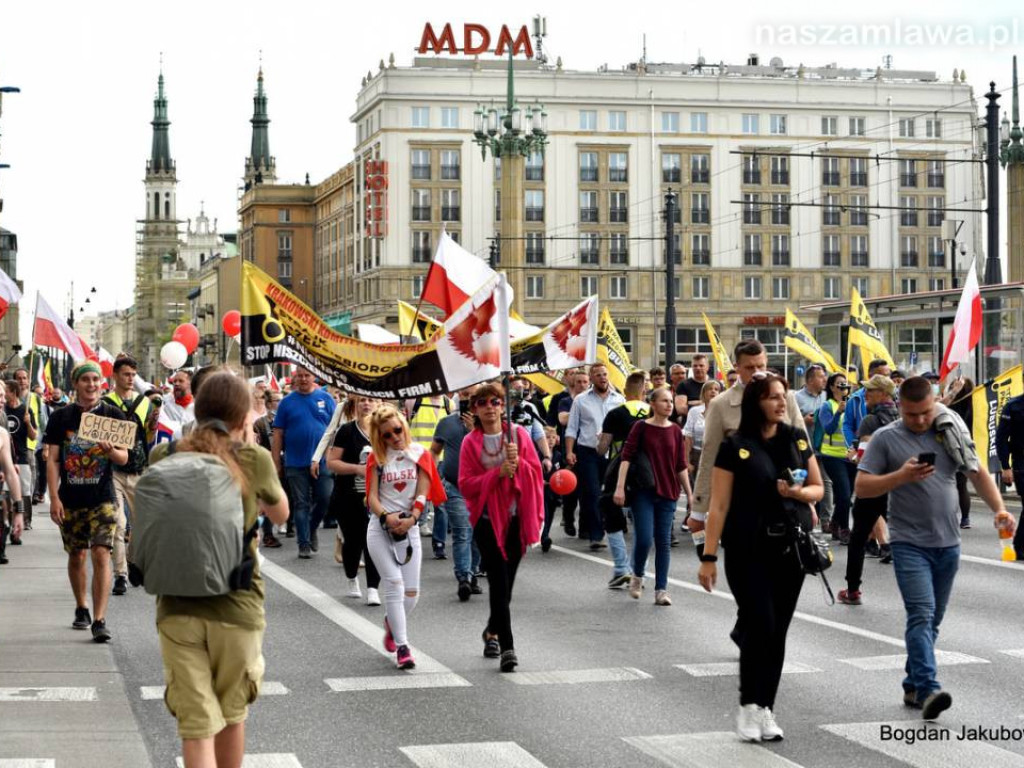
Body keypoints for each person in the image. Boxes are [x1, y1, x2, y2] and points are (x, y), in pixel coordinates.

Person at [856, 376, 1016, 720]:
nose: (920, 420)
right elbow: (863, 487)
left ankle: (912, 683)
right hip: (908, 542)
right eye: (912, 414)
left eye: (926, 412)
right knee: (922, 614)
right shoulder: (885, 438)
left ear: (934, 404)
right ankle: (928, 689)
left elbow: (976, 472)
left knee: (933, 621)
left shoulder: (949, 428)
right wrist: (900, 476)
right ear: (900, 407)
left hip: (948, 542)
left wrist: (1000, 509)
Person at [150, 371, 289, 768]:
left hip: (176, 602)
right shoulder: (252, 458)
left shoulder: (167, 454)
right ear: (243, 414)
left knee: (196, 725)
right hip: (236, 603)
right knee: (231, 714)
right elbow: (280, 514)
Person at [697, 372, 823, 742]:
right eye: (772, 397)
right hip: (746, 548)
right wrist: (708, 556)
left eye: (783, 396)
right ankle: (748, 705)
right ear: (756, 403)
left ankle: (766, 708)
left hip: (789, 549)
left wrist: (798, 493)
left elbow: (817, 488)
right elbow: (719, 506)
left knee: (778, 633)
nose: (781, 403)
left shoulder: (796, 438)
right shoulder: (735, 445)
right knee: (760, 625)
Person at [459, 382, 544, 672]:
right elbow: (465, 484)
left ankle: (490, 630)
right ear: (475, 409)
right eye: (483, 403)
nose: (490, 408)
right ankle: (507, 646)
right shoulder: (470, 442)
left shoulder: (518, 435)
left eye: (495, 402)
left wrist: (520, 465)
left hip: (516, 520)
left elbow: (536, 472)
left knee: (506, 585)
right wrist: (497, 474)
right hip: (487, 522)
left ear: (502, 405)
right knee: (498, 581)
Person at [44, 360, 129, 642]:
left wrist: (110, 451)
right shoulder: (61, 417)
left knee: (101, 552)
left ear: (101, 383)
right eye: (85, 380)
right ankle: (82, 607)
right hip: (71, 497)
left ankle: (100, 619)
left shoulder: (112, 414)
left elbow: (123, 457)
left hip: (102, 497)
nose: (91, 385)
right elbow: (54, 460)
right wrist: (54, 497)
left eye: (95, 379)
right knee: (77, 554)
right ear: (76, 384)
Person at [365, 405, 446, 670]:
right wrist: (386, 517)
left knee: (411, 594)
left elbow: (424, 490)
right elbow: (372, 497)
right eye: (387, 435)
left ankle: (391, 623)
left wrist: (413, 518)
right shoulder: (376, 459)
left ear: (404, 425)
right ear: (380, 437)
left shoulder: (420, 454)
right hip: (380, 528)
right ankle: (403, 646)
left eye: (397, 430)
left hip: (409, 527)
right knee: (394, 585)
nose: (394, 437)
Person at [614, 386, 690, 606]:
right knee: (645, 538)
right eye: (664, 401)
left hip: (668, 492)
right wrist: (619, 488)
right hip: (643, 492)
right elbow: (626, 458)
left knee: (664, 543)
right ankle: (637, 576)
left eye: (671, 401)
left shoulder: (676, 430)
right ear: (653, 404)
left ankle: (661, 590)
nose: (669, 404)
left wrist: (690, 494)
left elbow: (681, 464)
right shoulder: (640, 427)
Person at [838, 374, 899, 605]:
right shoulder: (902, 417)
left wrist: (853, 456)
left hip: (873, 485)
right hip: (899, 484)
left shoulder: (870, 421)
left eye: (871, 391)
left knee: (858, 537)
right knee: (907, 534)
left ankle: (852, 590)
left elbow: (864, 458)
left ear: (883, 394)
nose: (866, 395)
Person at [102, 355, 153, 596]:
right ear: (115, 376)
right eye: (126, 374)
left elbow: (150, 438)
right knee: (118, 524)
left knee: (141, 525)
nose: (131, 379)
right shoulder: (104, 403)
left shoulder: (145, 403)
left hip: (138, 470)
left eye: (133, 374)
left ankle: (132, 561)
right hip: (112, 471)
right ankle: (120, 574)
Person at [271, 366, 335, 559]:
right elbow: (278, 433)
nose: (303, 379)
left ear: (314, 376)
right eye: (300, 376)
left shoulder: (326, 399)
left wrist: (333, 456)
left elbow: (333, 430)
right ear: (294, 378)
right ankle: (304, 544)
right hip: (295, 462)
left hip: (322, 460)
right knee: (301, 504)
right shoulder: (286, 403)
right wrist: (276, 462)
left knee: (325, 498)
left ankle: (312, 526)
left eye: (307, 375)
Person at [326, 394, 383, 606]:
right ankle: (351, 577)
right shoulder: (346, 431)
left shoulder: (384, 431)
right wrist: (357, 469)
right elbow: (332, 462)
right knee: (353, 541)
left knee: (375, 542)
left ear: (378, 404)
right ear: (355, 405)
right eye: (361, 401)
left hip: (377, 496)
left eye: (370, 400)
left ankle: (373, 588)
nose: (366, 404)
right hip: (348, 494)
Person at [597, 371, 650, 588]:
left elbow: (602, 448)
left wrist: (598, 443)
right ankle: (639, 571)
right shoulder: (655, 412)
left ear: (626, 392)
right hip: (649, 472)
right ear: (644, 391)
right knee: (642, 521)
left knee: (610, 511)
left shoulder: (616, 413)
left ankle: (621, 567)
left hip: (621, 468)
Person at [431, 385, 484, 601]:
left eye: (473, 397)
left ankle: (472, 573)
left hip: (482, 489)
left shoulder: (486, 426)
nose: (468, 401)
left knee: (478, 535)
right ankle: (463, 577)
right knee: (463, 532)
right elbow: (434, 451)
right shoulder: (446, 422)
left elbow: (491, 452)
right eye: (464, 396)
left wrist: (474, 430)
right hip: (454, 487)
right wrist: (432, 476)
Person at [565, 363, 625, 549]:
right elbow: (572, 427)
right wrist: (569, 451)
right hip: (588, 451)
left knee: (609, 494)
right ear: (591, 379)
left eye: (605, 374)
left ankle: (604, 527)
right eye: (598, 375)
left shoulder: (619, 399)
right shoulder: (581, 400)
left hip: (612, 453)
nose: (602, 377)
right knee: (591, 492)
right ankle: (596, 535)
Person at [816, 372, 856, 543]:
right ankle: (845, 529)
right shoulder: (827, 406)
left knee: (846, 495)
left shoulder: (853, 404)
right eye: (839, 384)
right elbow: (829, 429)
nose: (843, 387)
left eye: (845, 384)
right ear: (832, 387)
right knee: (845, 495)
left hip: (850, 457)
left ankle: (834, 523)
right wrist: (838, 413)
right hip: (832, 456)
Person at [794, 364, 833, 534]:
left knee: (826, 483)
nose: (824, 379)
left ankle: (826, 520)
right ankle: (802, 518)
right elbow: (791, 421)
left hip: (824, 448)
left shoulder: (827, 397)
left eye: (825, 376)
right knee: (801, 482)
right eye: (820, 376)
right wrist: (804, 420)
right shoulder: (797, 398)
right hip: (803, 448)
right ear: (810, 379)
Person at [941, 377, 975, 529]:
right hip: (967, 447)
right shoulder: (974, 405)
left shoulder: (950, 407)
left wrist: (951, 392)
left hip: (947, 447)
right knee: (962, 485)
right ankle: (965, 518)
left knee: (946, 483)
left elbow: (938, 408)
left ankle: (949, 517)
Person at [4, 379, 36, 539]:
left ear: (13, 392)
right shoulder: (2, 410)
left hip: (22, 457)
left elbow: (33, 436)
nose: (4, 395)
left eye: (6, 392)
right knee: (6, 494)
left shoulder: (25, 410)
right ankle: (7, 524)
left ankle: (22, 524)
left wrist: (28, 423)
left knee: (23, 493)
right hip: (5, 458)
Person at [996, 391, 1024, 560]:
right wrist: (1005, 467)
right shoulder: (1013, 406)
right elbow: (1001, 439)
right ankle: (1019, 547)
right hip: (1021, 462)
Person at [843, 358, 891, 446]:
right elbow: (847, 426)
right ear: (870, 375)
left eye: (888, 375)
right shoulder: (855, 399)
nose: (886, 379)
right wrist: (853, 447)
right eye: (881, 376)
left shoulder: (897, 399)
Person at [683, 379, 721, 487]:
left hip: (717, 454)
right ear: (704, 393)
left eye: (716, 389)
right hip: (697, 454)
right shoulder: (694, 411)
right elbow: (688, 436)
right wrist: (687, 461)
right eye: (710, 389)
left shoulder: (723, 411)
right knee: (697, 489)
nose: (713, 391)